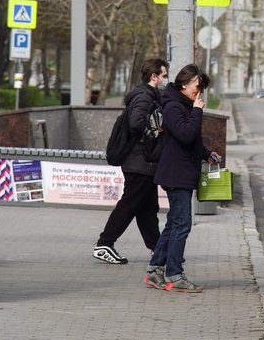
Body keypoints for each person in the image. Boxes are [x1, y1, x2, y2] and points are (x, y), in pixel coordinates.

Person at [145, 64, 220, 293]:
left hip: (182, 172)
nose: (200, 93)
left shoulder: (183, 104)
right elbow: (186, 134)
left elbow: (191, 141)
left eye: (202, 89)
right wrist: (197, 111)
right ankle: (174, 275)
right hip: (176, 174)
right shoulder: (173, 106)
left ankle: (155, 270)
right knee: (182, 224)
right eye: (198, 87)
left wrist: (207, 153)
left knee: (174, 223)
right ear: (184, 84)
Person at [92, 58, 169, 265]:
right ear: (154, 76)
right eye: (163, 75)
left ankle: (157, 248)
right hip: (139, 162)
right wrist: (156, 133)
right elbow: (137, 123)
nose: (165, 80)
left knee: (147, 207)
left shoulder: (148, 95)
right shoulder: (144, 97)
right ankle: (104, 243)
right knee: (129, 204)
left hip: (143, 162)